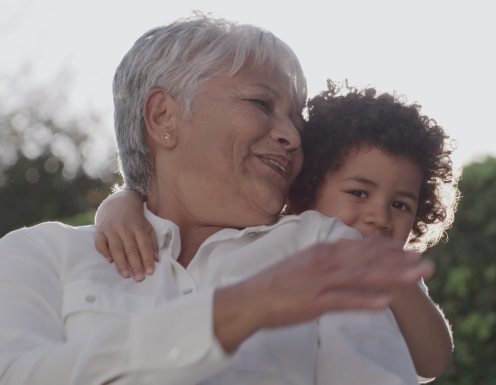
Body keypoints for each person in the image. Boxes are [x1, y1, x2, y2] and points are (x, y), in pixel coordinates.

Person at [0, 15, 434, 385]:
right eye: (262, 103)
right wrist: (236, 311)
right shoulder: (40, 255)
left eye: (296, 119)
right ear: (163, 116)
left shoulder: (324, 248)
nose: (292, 135)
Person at [95, 82, 458, 380]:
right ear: (307, 188)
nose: (379, 216)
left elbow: (432, 361)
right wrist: (122, 202)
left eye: (401, 205)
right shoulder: (271, 237)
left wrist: (400, 284)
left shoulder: (395, 276)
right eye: (358, 193)